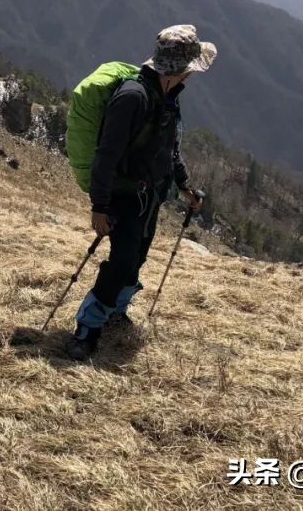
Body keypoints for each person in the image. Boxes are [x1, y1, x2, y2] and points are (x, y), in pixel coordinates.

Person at [66, 25, 216, 360]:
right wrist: (100, 206)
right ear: (180, 69)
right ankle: (87, 329)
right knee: (122, 262)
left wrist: (184, 185)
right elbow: (107, 154)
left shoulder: (166, 97)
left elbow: (168, 147)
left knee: (137, 257)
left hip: (150, 195)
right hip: (124, 194)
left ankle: (116, 311)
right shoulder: (133, 97)